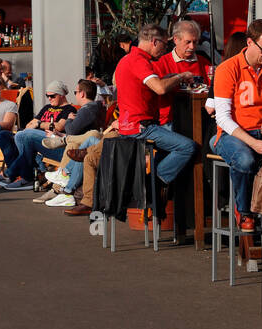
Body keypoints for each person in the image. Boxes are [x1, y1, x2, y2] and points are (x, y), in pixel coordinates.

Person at [210, 18, 262, 228]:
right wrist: (253, 142)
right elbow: (223, 118)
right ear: (249, 43)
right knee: (245, 160)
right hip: (234, 133)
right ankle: (244, 211)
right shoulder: (228, 68)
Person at [112, 22, 196, 188]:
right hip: (141, 127)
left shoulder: (128, 59)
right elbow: (159, 88)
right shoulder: (138, 60)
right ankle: (151, 186)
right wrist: (180, 77)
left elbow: (150, 85)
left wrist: (172, 77)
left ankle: (151, 186)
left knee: (170, 147)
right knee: (188, 147)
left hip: (131, 125)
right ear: (154, 42)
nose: (166, 49)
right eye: (165, 44)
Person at [0, 80, 76, 190]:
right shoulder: (46, 107)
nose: (49, 98)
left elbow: (58, 127)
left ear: (61, 95)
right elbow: (29, 125)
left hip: (50, 141)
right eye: (47, 96)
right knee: (4, 135)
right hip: (34, 138)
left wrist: (39, 123)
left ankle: (11, 175)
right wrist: (42, 125)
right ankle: (19, 173)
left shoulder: (69, 109)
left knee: (24, 135)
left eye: (52, 96)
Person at [44, 79, 108, 207]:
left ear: (82, 94)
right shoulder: (97, 107)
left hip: (87, 145)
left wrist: (68, 120)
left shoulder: (88, 109)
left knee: (25, 135)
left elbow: (71, 130)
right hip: (86, 144)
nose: (75, 95)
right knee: (81, 145)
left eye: (75, 92)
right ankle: (64, 185)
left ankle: (62, 185)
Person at [154, 19, 210, 124]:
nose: (192, 47)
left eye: (195, 42)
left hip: (201, 118)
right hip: (170, 119)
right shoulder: (162, 63)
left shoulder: (205, 63)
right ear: (176, 40)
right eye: (188, 42)